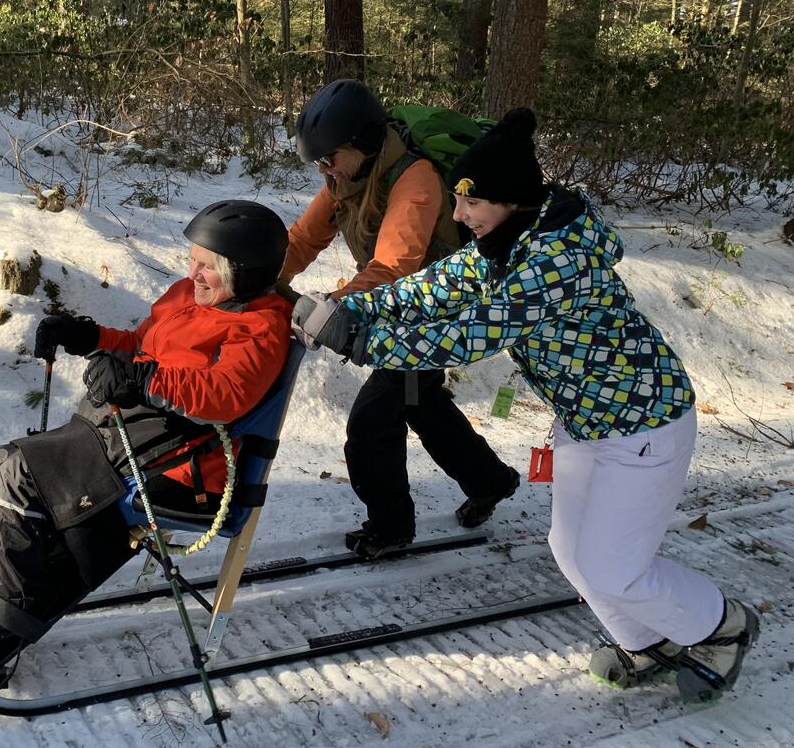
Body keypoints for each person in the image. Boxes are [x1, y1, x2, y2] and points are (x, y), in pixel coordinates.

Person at [291, 107, 760, 701]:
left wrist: (357, 339)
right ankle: (648, 646)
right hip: (588, 423)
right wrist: (348, 307)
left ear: (510, 201)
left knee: (614, 567)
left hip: (645, 424)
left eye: (469, 204)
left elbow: (472, 333)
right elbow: (434, 287)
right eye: (456, 201)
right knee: (571, 552)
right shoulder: (506, 242)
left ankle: (723, 626)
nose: (457, 215)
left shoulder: (553, 259)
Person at [0, 199, 292, 688]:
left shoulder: (259, 328)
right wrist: (89, 335)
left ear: (247, 272)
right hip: (125, 435)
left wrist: (143, 378)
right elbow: (140, 345)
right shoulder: (187, 297)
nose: (192, 274)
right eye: (191, 260)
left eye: (207, 267)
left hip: (176, 468)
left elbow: (224, 396)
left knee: (20, 483)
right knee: (5, 469)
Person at [281, 78, 519, 558]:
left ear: (365, 143)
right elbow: (303, 241)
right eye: (318, 162)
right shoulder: (344, 178)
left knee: (372, 424)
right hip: (400, 311)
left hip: (438, 312)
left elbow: (395, 266)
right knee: (418, 401)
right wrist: (253, 279)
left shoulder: (416, 179)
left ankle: (390, 527)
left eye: (330, 158)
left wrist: (333, 307)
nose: (324, 170)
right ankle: (490, 481)